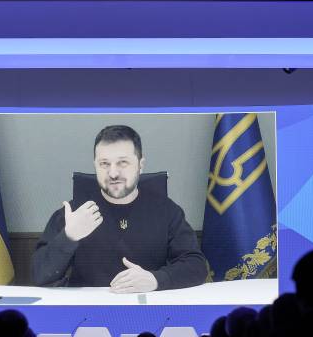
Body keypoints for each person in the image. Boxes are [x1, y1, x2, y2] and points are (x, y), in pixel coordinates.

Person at [31, 125, 208, 292]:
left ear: (140, 165)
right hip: (88, 308)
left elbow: (196, 265)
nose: (113, 173)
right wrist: (69, 237)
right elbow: (39, 275)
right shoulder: (74, 212)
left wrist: (156, 280)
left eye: (122, 162)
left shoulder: (167, 210)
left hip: (146, 306)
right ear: (95, 165)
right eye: (104, 164)